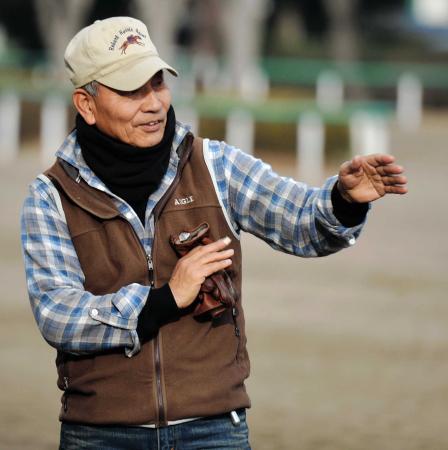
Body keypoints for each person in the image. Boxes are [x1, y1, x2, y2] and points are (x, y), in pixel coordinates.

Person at [20, 16, 407, 450]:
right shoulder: (49, 196)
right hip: (98, 433)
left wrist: (343, 200)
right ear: (86, 104)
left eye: (157, 83)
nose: (153, 103)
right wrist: (164, 300)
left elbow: (301, 221)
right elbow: (58, 314)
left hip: (213, 430)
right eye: (131, 90)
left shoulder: (215, 165)